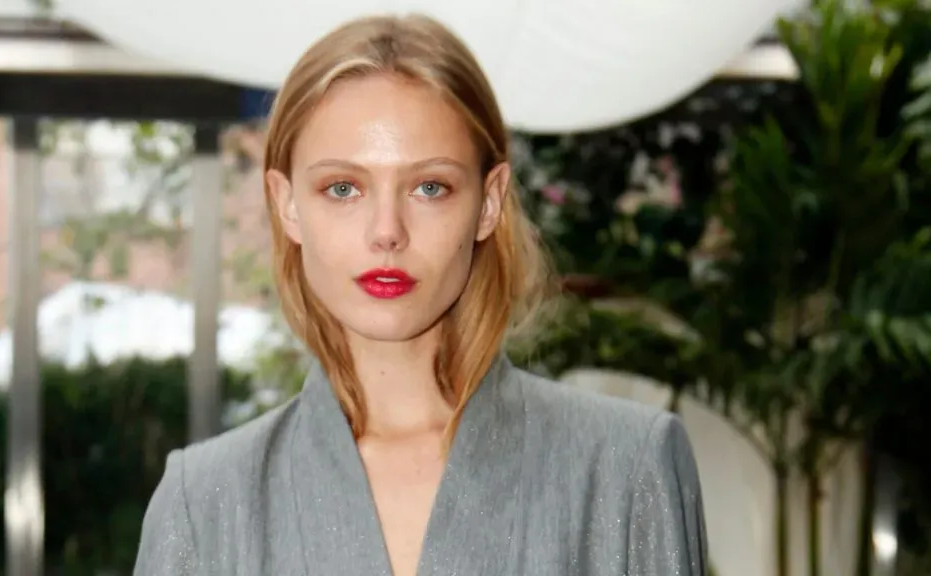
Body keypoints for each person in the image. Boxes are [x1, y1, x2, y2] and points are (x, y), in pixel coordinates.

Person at [134, 13, 707, 576]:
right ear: (287, 204)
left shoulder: (627, 470)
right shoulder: (204, 503)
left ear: (488, 202)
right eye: (343, 187)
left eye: (430, 187)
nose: (388, 230)